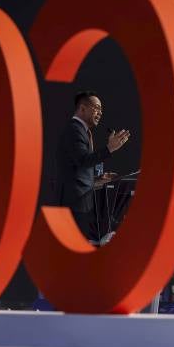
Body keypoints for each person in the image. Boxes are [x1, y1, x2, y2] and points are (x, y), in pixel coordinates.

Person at [55, 90, 131, 243]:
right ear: (82, 108)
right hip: (75, 204)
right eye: (96, 108)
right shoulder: (74, 130)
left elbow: (76, 169)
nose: (100, 113)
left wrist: (96, 180)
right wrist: (109, 149)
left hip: (81, 203)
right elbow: (83, 160)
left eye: (101, 110)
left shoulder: (81, 131)